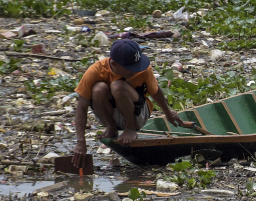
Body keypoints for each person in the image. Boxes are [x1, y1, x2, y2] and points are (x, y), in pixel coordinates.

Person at [71, 39, 184, 168]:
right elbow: (81, 107)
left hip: (137, 115)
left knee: (117, 86)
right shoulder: (96, 70)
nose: (136, 71)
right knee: (98, 89)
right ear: (114, 64)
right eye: (131, 69)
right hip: (109, 115)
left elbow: (155, 91)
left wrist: (168, 112)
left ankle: (130, 128)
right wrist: (81, 142)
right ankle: (111, 127)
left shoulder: (144, 70)